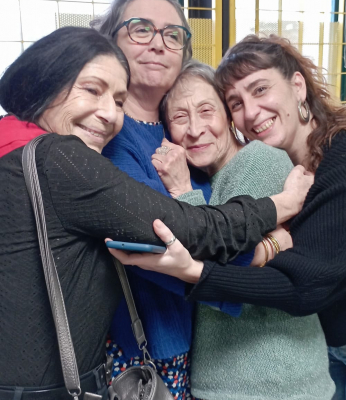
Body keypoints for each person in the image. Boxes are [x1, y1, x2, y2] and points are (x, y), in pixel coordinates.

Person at [0, 28, 312, 400]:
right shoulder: (58, 157)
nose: (109, 114)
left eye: (119, 101)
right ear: (45, 82)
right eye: (93, 90)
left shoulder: (17, 147)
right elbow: (187, 230)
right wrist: (280, 211)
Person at [109, 35, 346, 400]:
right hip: (329, 332)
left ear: (297, 85)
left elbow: (301, 284)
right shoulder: (281, 164)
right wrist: (271, 243)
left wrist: (199, 262)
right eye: (237, 102)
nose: (251, 112)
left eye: (261, 89)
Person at [150, 59, 335, 400]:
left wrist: (181, 189)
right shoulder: (210, 180)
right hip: (231, 380)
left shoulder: (258, 159)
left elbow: (218, 262)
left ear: (228, 116)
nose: (195, 129)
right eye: (180, 117)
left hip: (274, 382)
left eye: (206, 110)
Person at [91, 1, 209, 397]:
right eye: (141, 29)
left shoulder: (182, 126)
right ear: (111, 40)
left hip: (199, 340)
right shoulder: (106, 132)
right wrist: (260, 254)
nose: (158, 44)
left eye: (172, 35)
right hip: (143, 351)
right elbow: (157, 240)